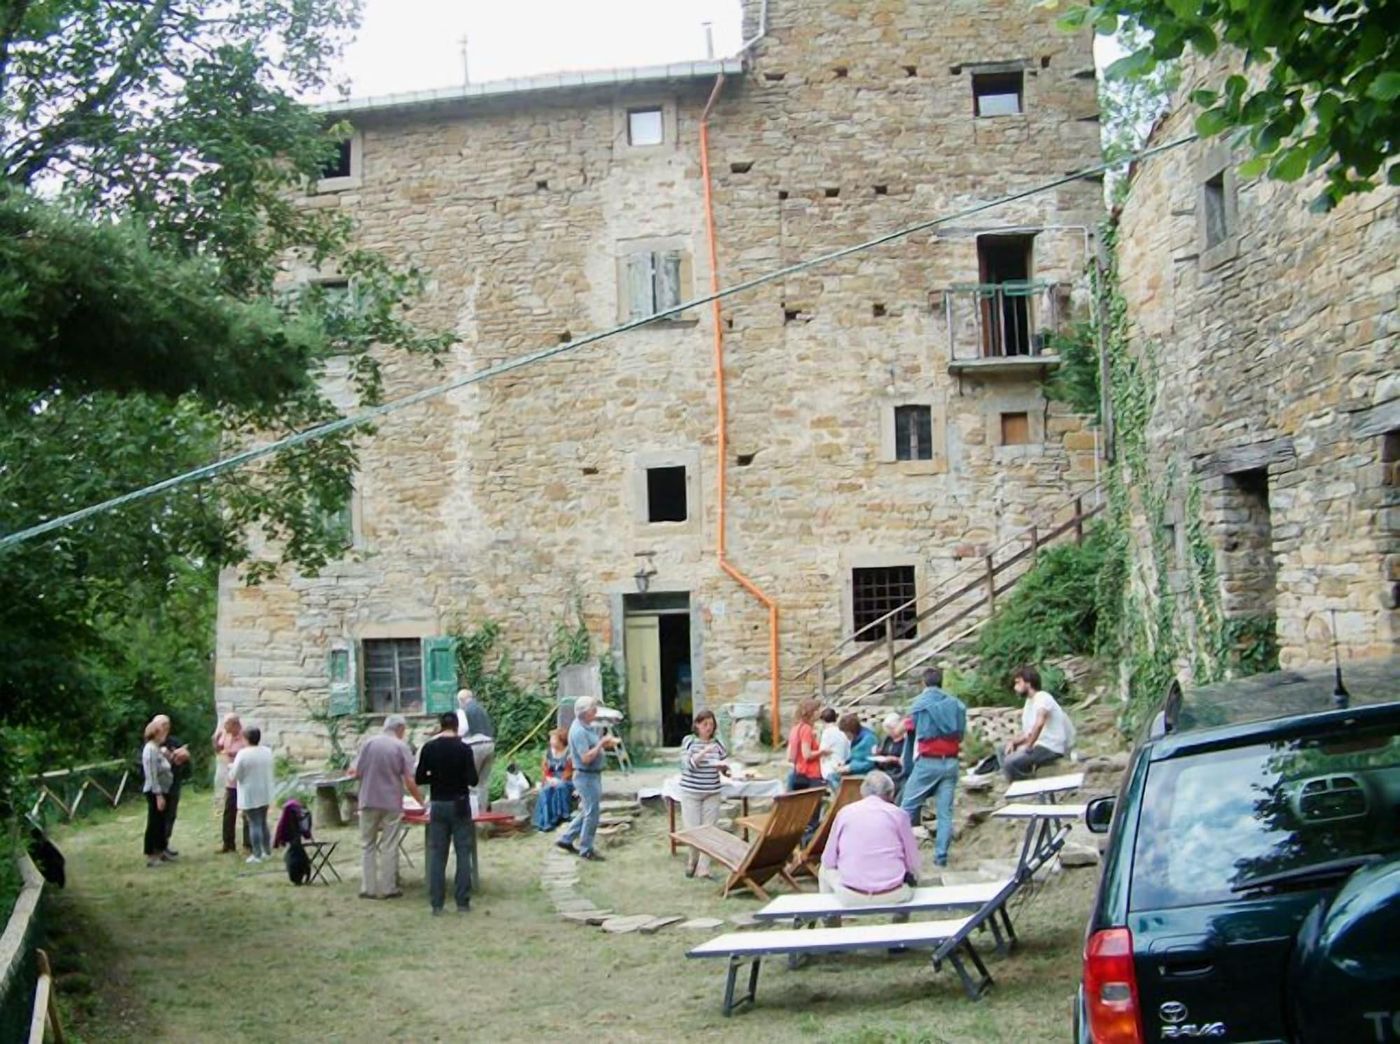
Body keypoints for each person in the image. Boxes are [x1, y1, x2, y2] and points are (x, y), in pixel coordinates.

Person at [898, 666, 967, 868]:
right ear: (942, 681)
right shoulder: (956, 705)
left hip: (928, 762)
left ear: (924, 683)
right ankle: (941, 857)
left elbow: (908, 729)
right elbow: (961, 733)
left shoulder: (920, 705)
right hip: (951, 763)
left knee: (906, 808)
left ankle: (898, 853)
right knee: (945, 813)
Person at [352, 715, 425, 899]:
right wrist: (421, 801)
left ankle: (368, 887)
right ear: (399, 728)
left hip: (368, 799)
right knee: (389, 845)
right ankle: (388, 887)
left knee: (367, 844)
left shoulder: (368, 743)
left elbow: (356, 772)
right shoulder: (401, 747)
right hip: (391, 802)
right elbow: (409, 779)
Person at [820, 771, 918, 906]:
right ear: (891, 794)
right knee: (911, 878)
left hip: (850, 894)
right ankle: (898, 923)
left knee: (823, 870)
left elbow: (828, 860)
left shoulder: (845, 813)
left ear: (863, 791)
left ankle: (830, 921)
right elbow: (913, 862)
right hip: (893, 894)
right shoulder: (899, 815)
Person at [415, 712, 479, 915]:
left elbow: (419, 778)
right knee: (462, 852)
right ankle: (462, 901)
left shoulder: (429, 748)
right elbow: (473, 779)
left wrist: (434, 776)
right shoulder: (464, 749)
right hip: (459, 802)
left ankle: (437, 903)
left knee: (437, 854)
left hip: (438, 802)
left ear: (440, 726)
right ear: (457, 726)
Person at [556, 696, 618, 861]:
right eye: (593, 709)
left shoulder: (587, 726)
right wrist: (601, 745)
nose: (596, 712)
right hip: (585, 775)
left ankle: (566, 838)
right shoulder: (579, 732)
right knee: (592, 813)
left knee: (587, 811)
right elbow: (585, 758)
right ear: (585, 713)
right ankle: (586, 848)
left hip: (592, 775)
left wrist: (604, 744)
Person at [677, 709, 730, 880]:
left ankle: (704, 869)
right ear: (697, 725)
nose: (708, 728)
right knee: (693, 830)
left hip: (711, 791)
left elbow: (723, 765)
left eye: (711, 725)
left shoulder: (718, 744)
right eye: (705, 724)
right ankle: (692, 859)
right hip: (691, 791)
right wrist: (705, 752)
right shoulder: (689, 741)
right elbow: (689, 765)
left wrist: (724, 769)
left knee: (709, 831)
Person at [1000, 665, 1076, 781]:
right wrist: (1014, 742)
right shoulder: (1029, 702)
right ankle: (1019, 776)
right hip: (1037, 745)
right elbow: (1029, 733)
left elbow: (1039, 723)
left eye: (1018, 683)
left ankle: (1024, 786)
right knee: (1002, 750)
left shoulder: (1042, 697)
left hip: (1049, 747)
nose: (1015, 687)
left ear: (1028, 683)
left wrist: (1028, 746)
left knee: (1009, 762)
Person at [228, 726, 276, 864]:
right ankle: (267, 851)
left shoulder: (243, 754)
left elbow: (235, 775)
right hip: (264, 790)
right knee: (263, 822)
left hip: (250, 791)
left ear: (246, 738)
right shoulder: (267, 751)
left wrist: (230, 768)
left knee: (254, 823)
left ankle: (257, 854)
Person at [786, 698, 825, 841]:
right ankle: (807, 847)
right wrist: (823, 751)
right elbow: (807, 754)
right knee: (812, 816)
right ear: (811, 712)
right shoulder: (807, 730)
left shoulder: (795, 729)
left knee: (799, 813)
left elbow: (790, 756)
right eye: (817, 710)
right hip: (812, 775)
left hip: (799, 774)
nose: (820, 713)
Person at [141, 718, 175, 868]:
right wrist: (158, 795)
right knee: (154, 822)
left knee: (161, 822)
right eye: (161, 732)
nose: (164, 735)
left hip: (164, 789)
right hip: (155, 791)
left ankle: (161, 851)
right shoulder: (150, 750)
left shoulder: (157, 748)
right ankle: (151, 854)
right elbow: (152, 774)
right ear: (155, 733)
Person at [155, 715, 191, 856]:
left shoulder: (174, 741)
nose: (166, 728)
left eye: (167, 725)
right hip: (159, 785)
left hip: (174, 783)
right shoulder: (151, 743)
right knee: (159, 817)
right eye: (163, 725)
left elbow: (187, 764)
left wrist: (184, 757)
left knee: (171, 815)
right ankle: (157, 847)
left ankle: (165, 844)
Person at [215, 713, 251, 854]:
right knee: (229, 811)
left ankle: (248, 843)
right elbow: (219, 749)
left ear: (235, 724)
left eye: (227, 724)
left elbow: (247, 755)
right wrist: (216, 744)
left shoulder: (245, 737)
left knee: (247, 811)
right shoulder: (226, 734)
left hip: (244, 779)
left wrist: (232, 754)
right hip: (231, 779)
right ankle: (228, 843)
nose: (224, 727)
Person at [456, 689, 496, 812]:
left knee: (470, 780)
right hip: (489, 744)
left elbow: (462, 729)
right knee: (483, 782)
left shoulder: (463, 710)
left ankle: (471, 812)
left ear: (461, 700)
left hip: (475, 745)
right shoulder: (481, 708)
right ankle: (482, 811)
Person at [533, 729, 575, 832]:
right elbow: (545, 769)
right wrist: (548, 778)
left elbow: (570, 771)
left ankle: (562, 816)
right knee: (545, 790)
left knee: (560, 787)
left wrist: (559, 780)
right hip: (551, 779)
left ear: (561, 741)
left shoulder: (569, 753)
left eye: (553, 739)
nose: (551, 741)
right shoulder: (548, 752)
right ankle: (545, 822)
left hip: (567, 780)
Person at [872, 713, 912, 795]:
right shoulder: (888, 739)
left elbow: (907, 761)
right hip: (885, 770)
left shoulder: (906, 741)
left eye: (891, 729)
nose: (889, 732)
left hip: (899, 773)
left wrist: (895, 760)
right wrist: (877, 754)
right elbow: (882, 754)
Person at [818, 707, 850, 789]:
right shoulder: (842, 731)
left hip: (830, 768)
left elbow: (823, 750)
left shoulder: (827, 733)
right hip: (842, 765)